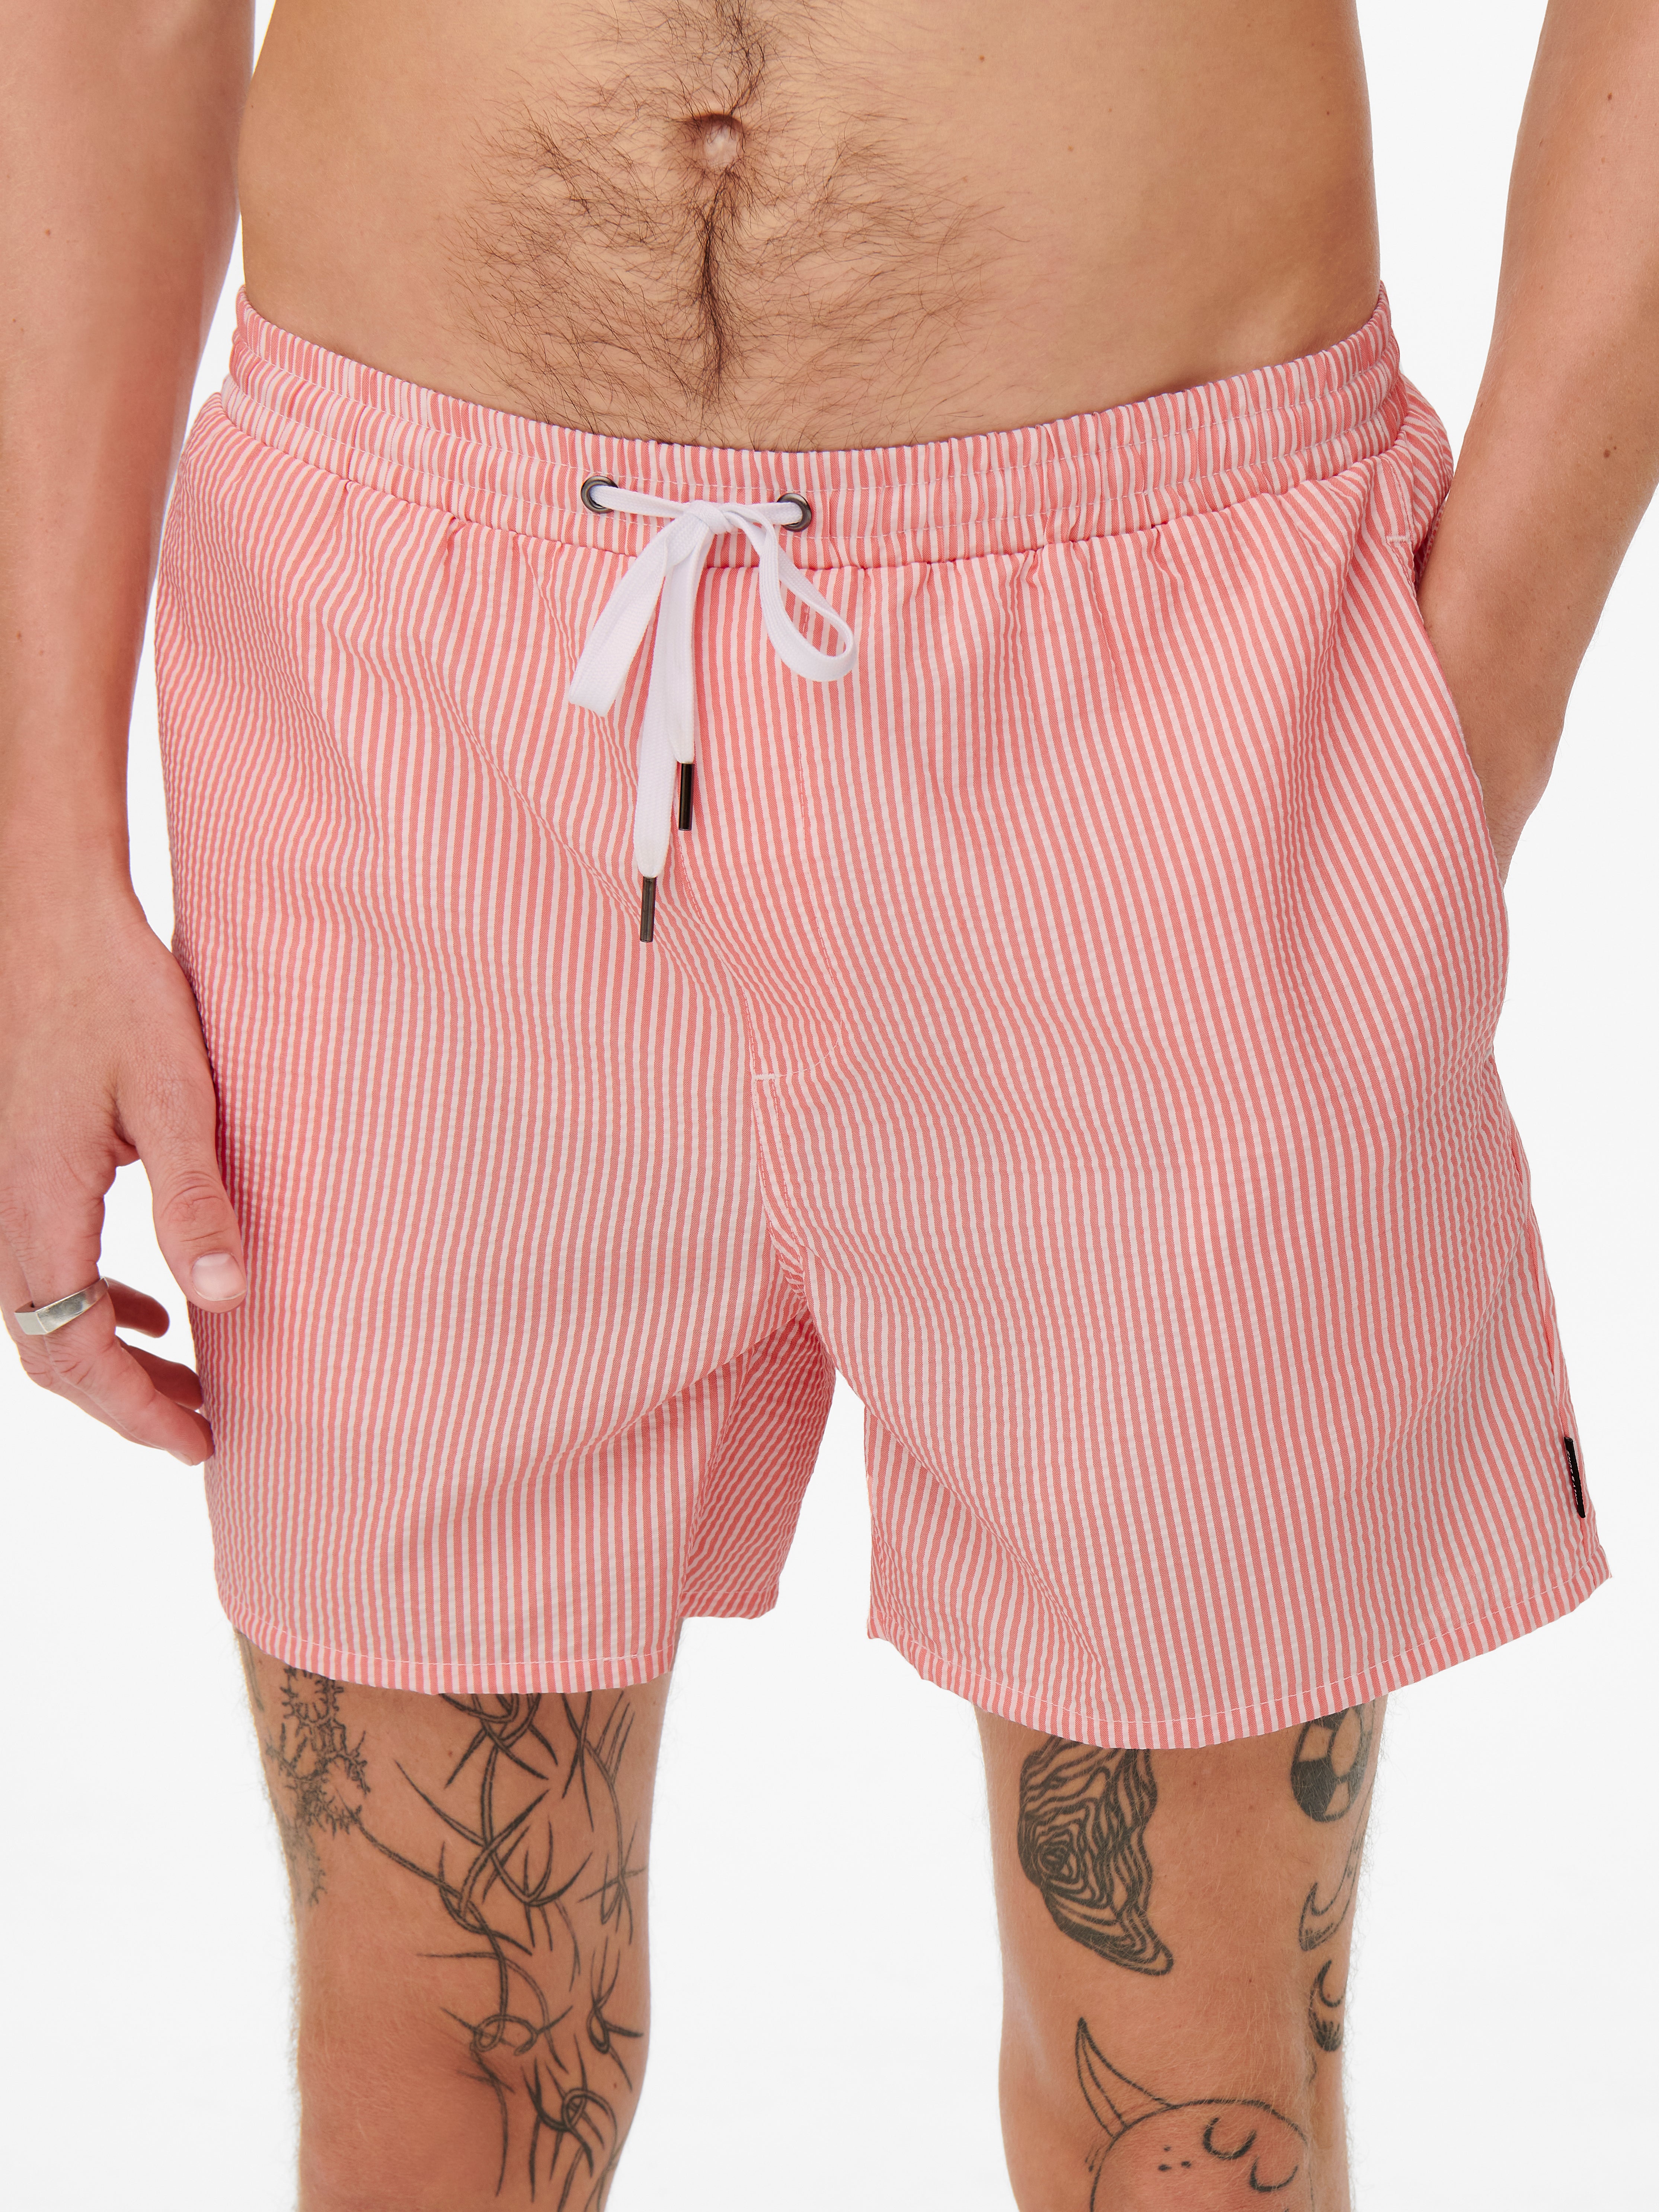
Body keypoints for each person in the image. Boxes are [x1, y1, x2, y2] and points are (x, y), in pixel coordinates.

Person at [1, 3, 1652, 2205]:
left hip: (1165, 694)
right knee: (432, 2056)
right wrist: (40, 860)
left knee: (1187, 2097)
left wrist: (1482, 695)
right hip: (398, 694)